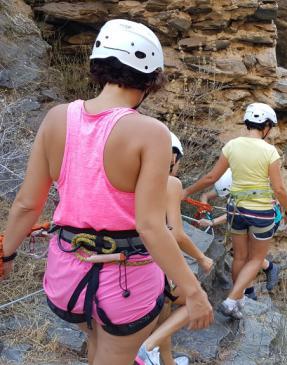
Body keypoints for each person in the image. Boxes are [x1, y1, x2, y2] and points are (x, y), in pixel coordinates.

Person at [1, 19, 212, 364]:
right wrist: (192, 289)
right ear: (149, 80)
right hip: (127, 280)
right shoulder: (150, 133)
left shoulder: (56, 118)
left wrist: (6, 255)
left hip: (68, 272)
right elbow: (150, 225)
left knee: (96, 348)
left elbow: (27, 204)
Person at [183, 102, 287, 319]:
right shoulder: (270, 151)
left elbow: (211, 177)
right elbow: (279, 189)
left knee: (239, 257)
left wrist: (186, 191)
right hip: (260, 211)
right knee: (255, 259)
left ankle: (238, 300)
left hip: (235, 209)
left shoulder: (232, 145)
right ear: (267, 126)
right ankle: (232, 299)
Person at [136, 132, 214, 365]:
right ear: (172, 157)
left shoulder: (130, 179)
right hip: (152, 262)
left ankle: (165, 361)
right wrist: (201, 258)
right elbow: (177, 234)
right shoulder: (170, 183)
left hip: (127, 258)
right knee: (196, 301)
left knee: (164, 314)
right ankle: (146, 348)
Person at [197, 169, 281, 299]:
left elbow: (231, 214)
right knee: (245, 257)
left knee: (251, 258)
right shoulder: (226, 182)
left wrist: (211, 222)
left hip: (268, 220)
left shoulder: (248, 191)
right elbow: (205, 196)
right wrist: (204, 210)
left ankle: (269, 269)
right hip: (248, 219)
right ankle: (250, 292)